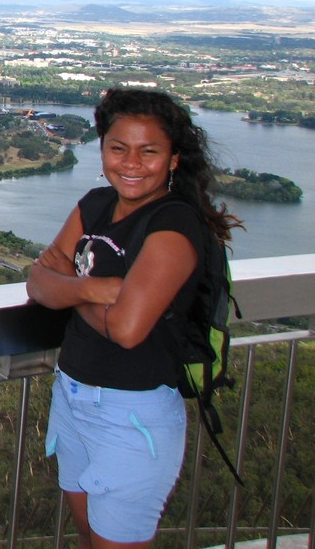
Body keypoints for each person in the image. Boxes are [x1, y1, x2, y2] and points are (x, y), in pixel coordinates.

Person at [26, 87, 241, 549]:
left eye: (149, 151)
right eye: (118, 148)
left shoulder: (173, 226)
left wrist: (69, 288)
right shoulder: (96, 205)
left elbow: (126, 329)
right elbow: (38, 279)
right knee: (87, 537)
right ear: (102, 148)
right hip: (72, 395)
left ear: (174, 159)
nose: (131, 163)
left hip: (131, 416)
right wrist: (94, 289)